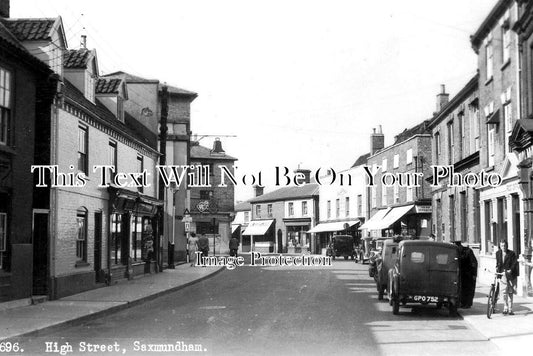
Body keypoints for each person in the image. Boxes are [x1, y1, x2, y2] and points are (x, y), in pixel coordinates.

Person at [496, 240, 519, 315]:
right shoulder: (498, 253)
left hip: (510, 275)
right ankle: (505, 307)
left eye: (505, 245)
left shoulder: (511, 253)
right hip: (503, 274)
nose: (503, 247)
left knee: (510, 292)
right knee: (504, 292)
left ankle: (510, 309)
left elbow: (514, 263)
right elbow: (498, 263)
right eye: (502, 246)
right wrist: (497, 272)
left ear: (507, 246)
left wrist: (511, 270)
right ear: (500, 246)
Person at [453, 240, 478, 308]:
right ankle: (462, 303)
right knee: (461, 290)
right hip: (461, 274)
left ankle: (467, 304)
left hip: (468, 275)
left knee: (467, 290)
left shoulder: (468, 251)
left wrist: (474, 274)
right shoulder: (457, 252)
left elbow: (474, 263)